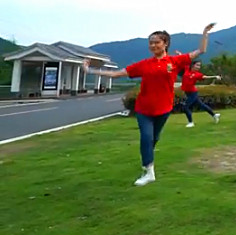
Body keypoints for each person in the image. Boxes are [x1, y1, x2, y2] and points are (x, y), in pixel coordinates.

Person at [83, 23, 216, 186]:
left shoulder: (174, 61)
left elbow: (200, 51)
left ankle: (147, 158)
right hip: (144, 109)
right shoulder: (144, 64)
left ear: (165, 43)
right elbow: (117, 73)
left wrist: (205, 33)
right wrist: (90, 71)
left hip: (164, 108)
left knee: (154, 138)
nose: (153, 45)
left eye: (156, 42)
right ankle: (149, 171)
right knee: (146, 137)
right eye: (151, 42)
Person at [174, 51, 222, 128]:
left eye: (199, 66)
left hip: (192, 93)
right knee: (201, 105)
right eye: (197, 65)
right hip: (187, 92)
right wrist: (180, 54)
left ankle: (191, 122)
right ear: (192, 65)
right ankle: (214, 115)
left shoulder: (197, 74)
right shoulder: (187, 69)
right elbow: (184, 60)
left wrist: (215, 76)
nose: (198, 67)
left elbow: (205, 77)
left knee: (185, 107)